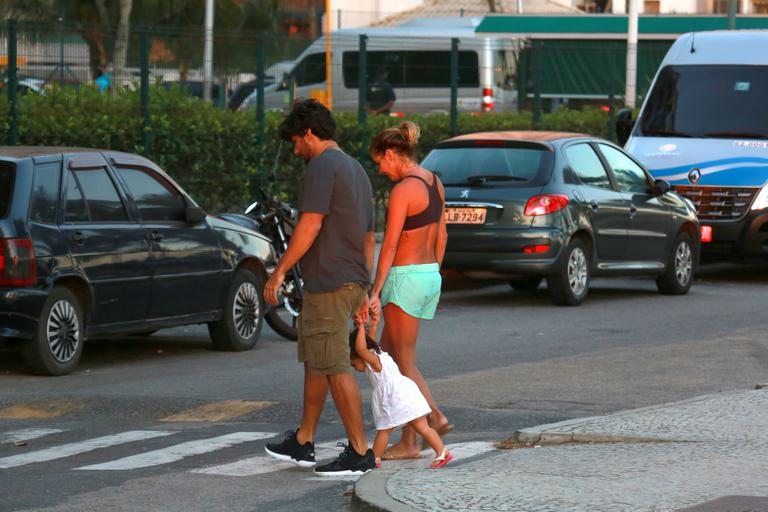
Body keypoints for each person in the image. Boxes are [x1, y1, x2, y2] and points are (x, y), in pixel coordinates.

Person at [263, 98, 377, 476]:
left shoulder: (322, 166)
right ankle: (303, 440)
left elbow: (310, 226)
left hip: (329, 283)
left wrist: (279, 272)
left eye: (296, 141)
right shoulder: (356, 169)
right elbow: (367, 238)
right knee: (317, 361)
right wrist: (364, 286)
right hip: (349, 281)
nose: (296, 150)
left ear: (309, 133)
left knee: (332, 365)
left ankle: (361, 452)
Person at [368, 122, 452, 460]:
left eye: (379, 162)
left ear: (391, 154)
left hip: (404, 277)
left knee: (403, 361)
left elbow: (388, 246)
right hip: (429, 273)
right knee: (388, 358)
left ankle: (434, 415)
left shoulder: (403, 190)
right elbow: (443, 235)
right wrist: (433, 273)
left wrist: (375, 291)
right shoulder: (435, 182)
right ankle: (409, 442)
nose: (380, 170)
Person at [350, 317, 453, 469]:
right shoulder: (378, 353)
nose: (354, 368)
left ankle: (374, 458)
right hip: (407, 393)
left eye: (353, 363)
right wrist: (374, 324)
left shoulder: (372, 360)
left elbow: (360, 348)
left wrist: (360, 326)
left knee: (384, 430)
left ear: (359, 356)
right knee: (422, 427)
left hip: (396, 398)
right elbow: (368, 341)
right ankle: (442, 451)